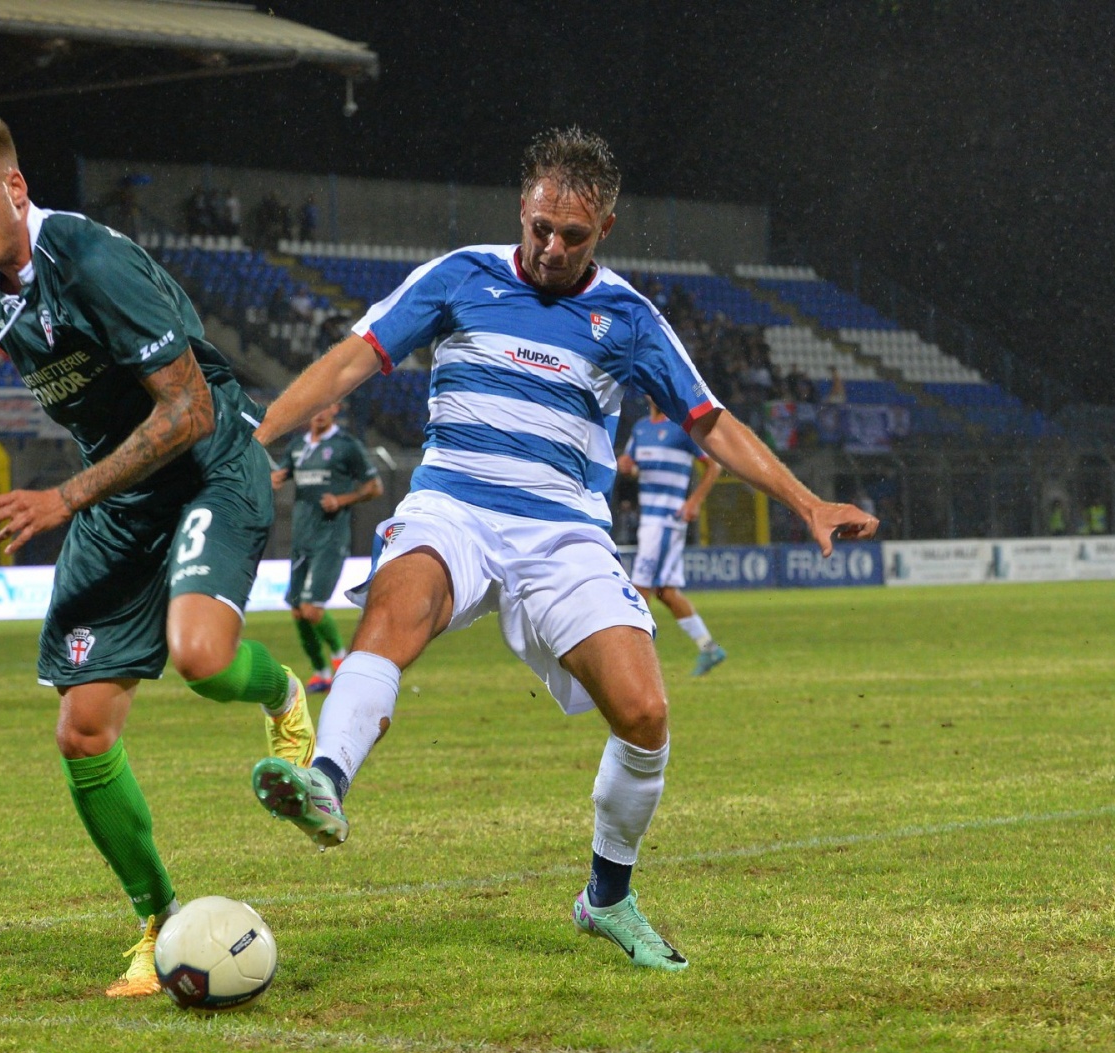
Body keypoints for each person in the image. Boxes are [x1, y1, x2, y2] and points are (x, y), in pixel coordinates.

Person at [247, 127, 877, 971]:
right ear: (522, 207)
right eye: (538, 226)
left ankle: (608, 899)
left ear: (605, 229)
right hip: (454, 509)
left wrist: (805, 501)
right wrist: (260, 445)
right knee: (398, 609)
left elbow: (710, 423)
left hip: (563, 534)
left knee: (646, 715)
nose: (548, 247)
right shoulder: (459, 276)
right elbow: (347, 365)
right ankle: (325, 781)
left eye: (571, 236)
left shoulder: (629, 319)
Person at [0, 113, 315, 998]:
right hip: (124, 499)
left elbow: (186, 414)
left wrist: (64, 497)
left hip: (207, 463)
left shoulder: (90, 261)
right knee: (81, 729)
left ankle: (283, 694)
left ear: (15, 189)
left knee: (202, 658)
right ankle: (156, 920)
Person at [272, 401, 383, 692]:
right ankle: (320, 673)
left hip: (330, 539)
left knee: (311, 609)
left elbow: (374, 487)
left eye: (324, 406)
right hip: (301, 538)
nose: (317, 412)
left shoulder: (346, 446)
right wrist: (272, 479)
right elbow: (281, 475)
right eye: (314, 407)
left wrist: (341, 501)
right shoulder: (297, 447)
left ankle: (340, 659)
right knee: (297, 610)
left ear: (335, 408)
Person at [617, 397, 726, 675]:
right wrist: (627, 467)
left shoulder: (681, 429)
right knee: (665, 592)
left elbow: (714, 465)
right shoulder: (641, 429)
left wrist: (694, 501)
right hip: (649, 519)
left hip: (667, 520)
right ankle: (709, 647)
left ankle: (634, 661)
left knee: (640, 587)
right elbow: (633, 465)